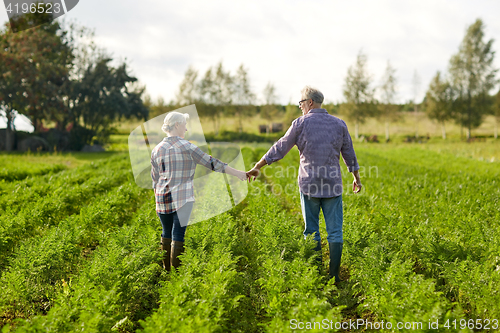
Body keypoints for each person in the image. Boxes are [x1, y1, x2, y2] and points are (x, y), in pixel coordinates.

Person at [246, 86, 362, 283]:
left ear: (310, 102)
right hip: (333, 185)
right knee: (335, 231)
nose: (300, 106)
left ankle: (316, 274)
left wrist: (258, 165)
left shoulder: (300, 124)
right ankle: (334, 276)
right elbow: (349, 153)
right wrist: (356, 177)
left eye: (300, 102)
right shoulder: (339, 124)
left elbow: (280, 147)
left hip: (309, 185)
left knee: (312, 231)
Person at [151, 111, 247, 271]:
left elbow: (155, 179)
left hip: (162, 198)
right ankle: (175, 277)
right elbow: (212, 163)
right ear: (176, 125)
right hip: (182, 199)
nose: (186, 129)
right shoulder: (188, 147)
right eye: (184, 125)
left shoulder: (156, 149)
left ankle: (167, 273)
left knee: (166, 233)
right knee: (178, 235)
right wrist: (238, 173)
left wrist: (157, 199)